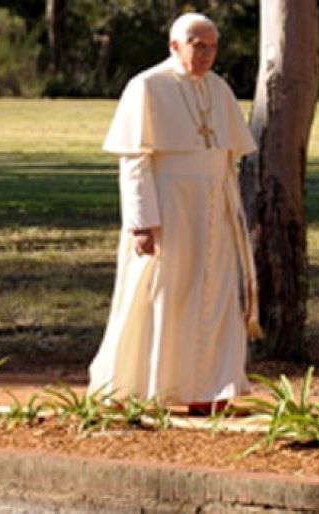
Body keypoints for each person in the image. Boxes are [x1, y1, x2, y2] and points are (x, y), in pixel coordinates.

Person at [88, 12, 262, 415]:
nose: (205, 54)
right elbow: (134, 161)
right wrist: (141, 223)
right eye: (196, 45)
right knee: (166, 294)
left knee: (214, 296)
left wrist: (234, 212)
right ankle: (152, 387)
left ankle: (209, 389)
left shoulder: (219, 90)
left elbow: (227, 157)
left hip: (215, 210)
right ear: (174, 46)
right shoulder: (146, 87)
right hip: (169, 209)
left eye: (211, 46)